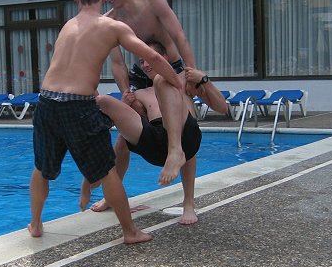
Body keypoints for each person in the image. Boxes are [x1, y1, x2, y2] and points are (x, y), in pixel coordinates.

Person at [28, 0, 185, 245]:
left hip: (47, 101)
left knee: (42, 168)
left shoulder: (67, 26)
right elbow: (152, 56)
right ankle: (130, 232)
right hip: (77, 105)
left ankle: (36, 223)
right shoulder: (111, 26)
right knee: (106, 171)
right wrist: (176, 82)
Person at [81, 43, 228, 225]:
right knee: (104, 102)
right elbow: (118, 125)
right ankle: (110, 195)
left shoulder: (184, 81)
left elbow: (222, 108)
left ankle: (188, 203)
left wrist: (204, 80)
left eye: (149, 59)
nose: (145, 65)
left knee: (161, 80)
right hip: (157, 145)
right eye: (142, 61)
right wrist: (125, 103)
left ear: (164, 58)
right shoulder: (140, 93)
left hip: (186, 139)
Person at [99, 0, 197, 93]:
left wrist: (193, 74)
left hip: (171, 66)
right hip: (142, 73)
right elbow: (117, 63)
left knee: (177, 101)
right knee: (134, 102)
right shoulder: (109, 22)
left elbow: (179, 37)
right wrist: (125, 92)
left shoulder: (154, 2)